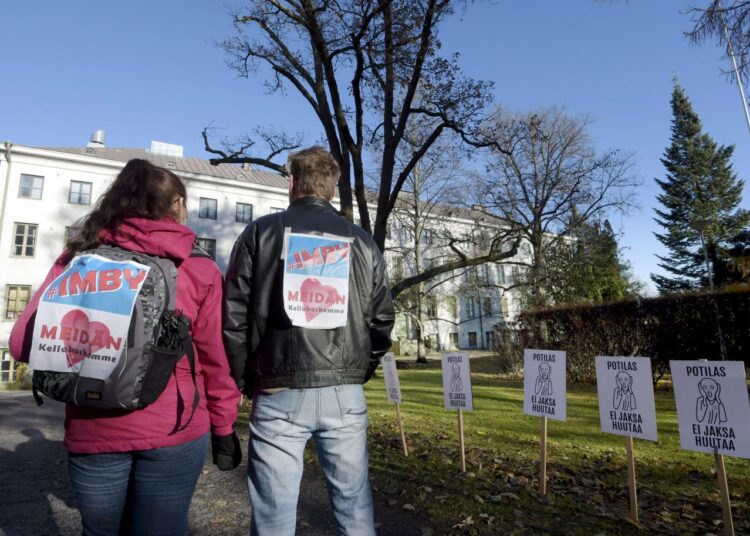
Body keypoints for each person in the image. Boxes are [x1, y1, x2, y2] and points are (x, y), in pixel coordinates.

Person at [9, 159, 242, 536]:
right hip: (174, 427)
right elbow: (216, 360)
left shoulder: (79, 259)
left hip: (93, 426)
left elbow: (22, 343)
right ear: (177, 205)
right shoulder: (198, 268)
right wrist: (223, 426)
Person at [223, 146, 395, 536]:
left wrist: (245, 379)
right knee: (354, 507)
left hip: (278, 387)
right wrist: (358, 370)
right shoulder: (364, 242)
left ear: (291, 182)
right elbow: (383, 320)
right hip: (344, 391)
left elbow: (232, 318)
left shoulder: (260, 233)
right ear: (331, 188)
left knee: (273, 514)